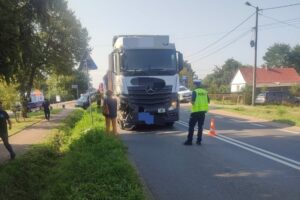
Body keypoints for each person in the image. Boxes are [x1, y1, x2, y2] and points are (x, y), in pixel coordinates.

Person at [184, 80, 210, 145]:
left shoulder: (195, 92)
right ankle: (199, 141)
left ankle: (189, 141)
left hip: (195, 112)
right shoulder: (205, 92)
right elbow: (208, 101)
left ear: (195, 85)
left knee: (191, 126)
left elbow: (192, 102)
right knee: (200, 127)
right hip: (202, 112)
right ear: (200, 85)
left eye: (194, 84)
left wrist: (189, 100)